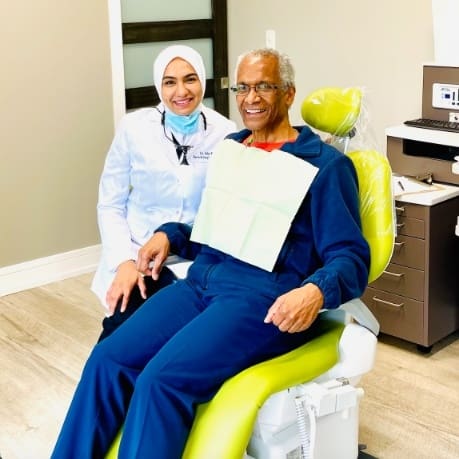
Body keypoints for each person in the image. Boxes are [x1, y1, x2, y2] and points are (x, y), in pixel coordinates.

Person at [51, 48, 370, 458]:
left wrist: (315, 291)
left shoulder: (325, 168)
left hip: (262, 298)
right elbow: (211, 231)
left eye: (263, 87)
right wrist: (170, 235)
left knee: (160, 381)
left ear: (288, 94)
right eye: (242, 88)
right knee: (108, 360)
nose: (250, 98)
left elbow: (350, 257)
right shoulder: (233, 149)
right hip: (201, 282)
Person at [91, 45, 236, 341]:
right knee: (125, 332)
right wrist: (124, 263)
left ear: (203, 80)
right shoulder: (134, 128)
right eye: (170, 82)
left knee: (182, 335)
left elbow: (223, 207)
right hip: (138, 254)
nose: (181, 91)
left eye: (190, 79)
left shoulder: (224, 131)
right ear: (159, 85)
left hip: (194, 253)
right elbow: (110, 205)